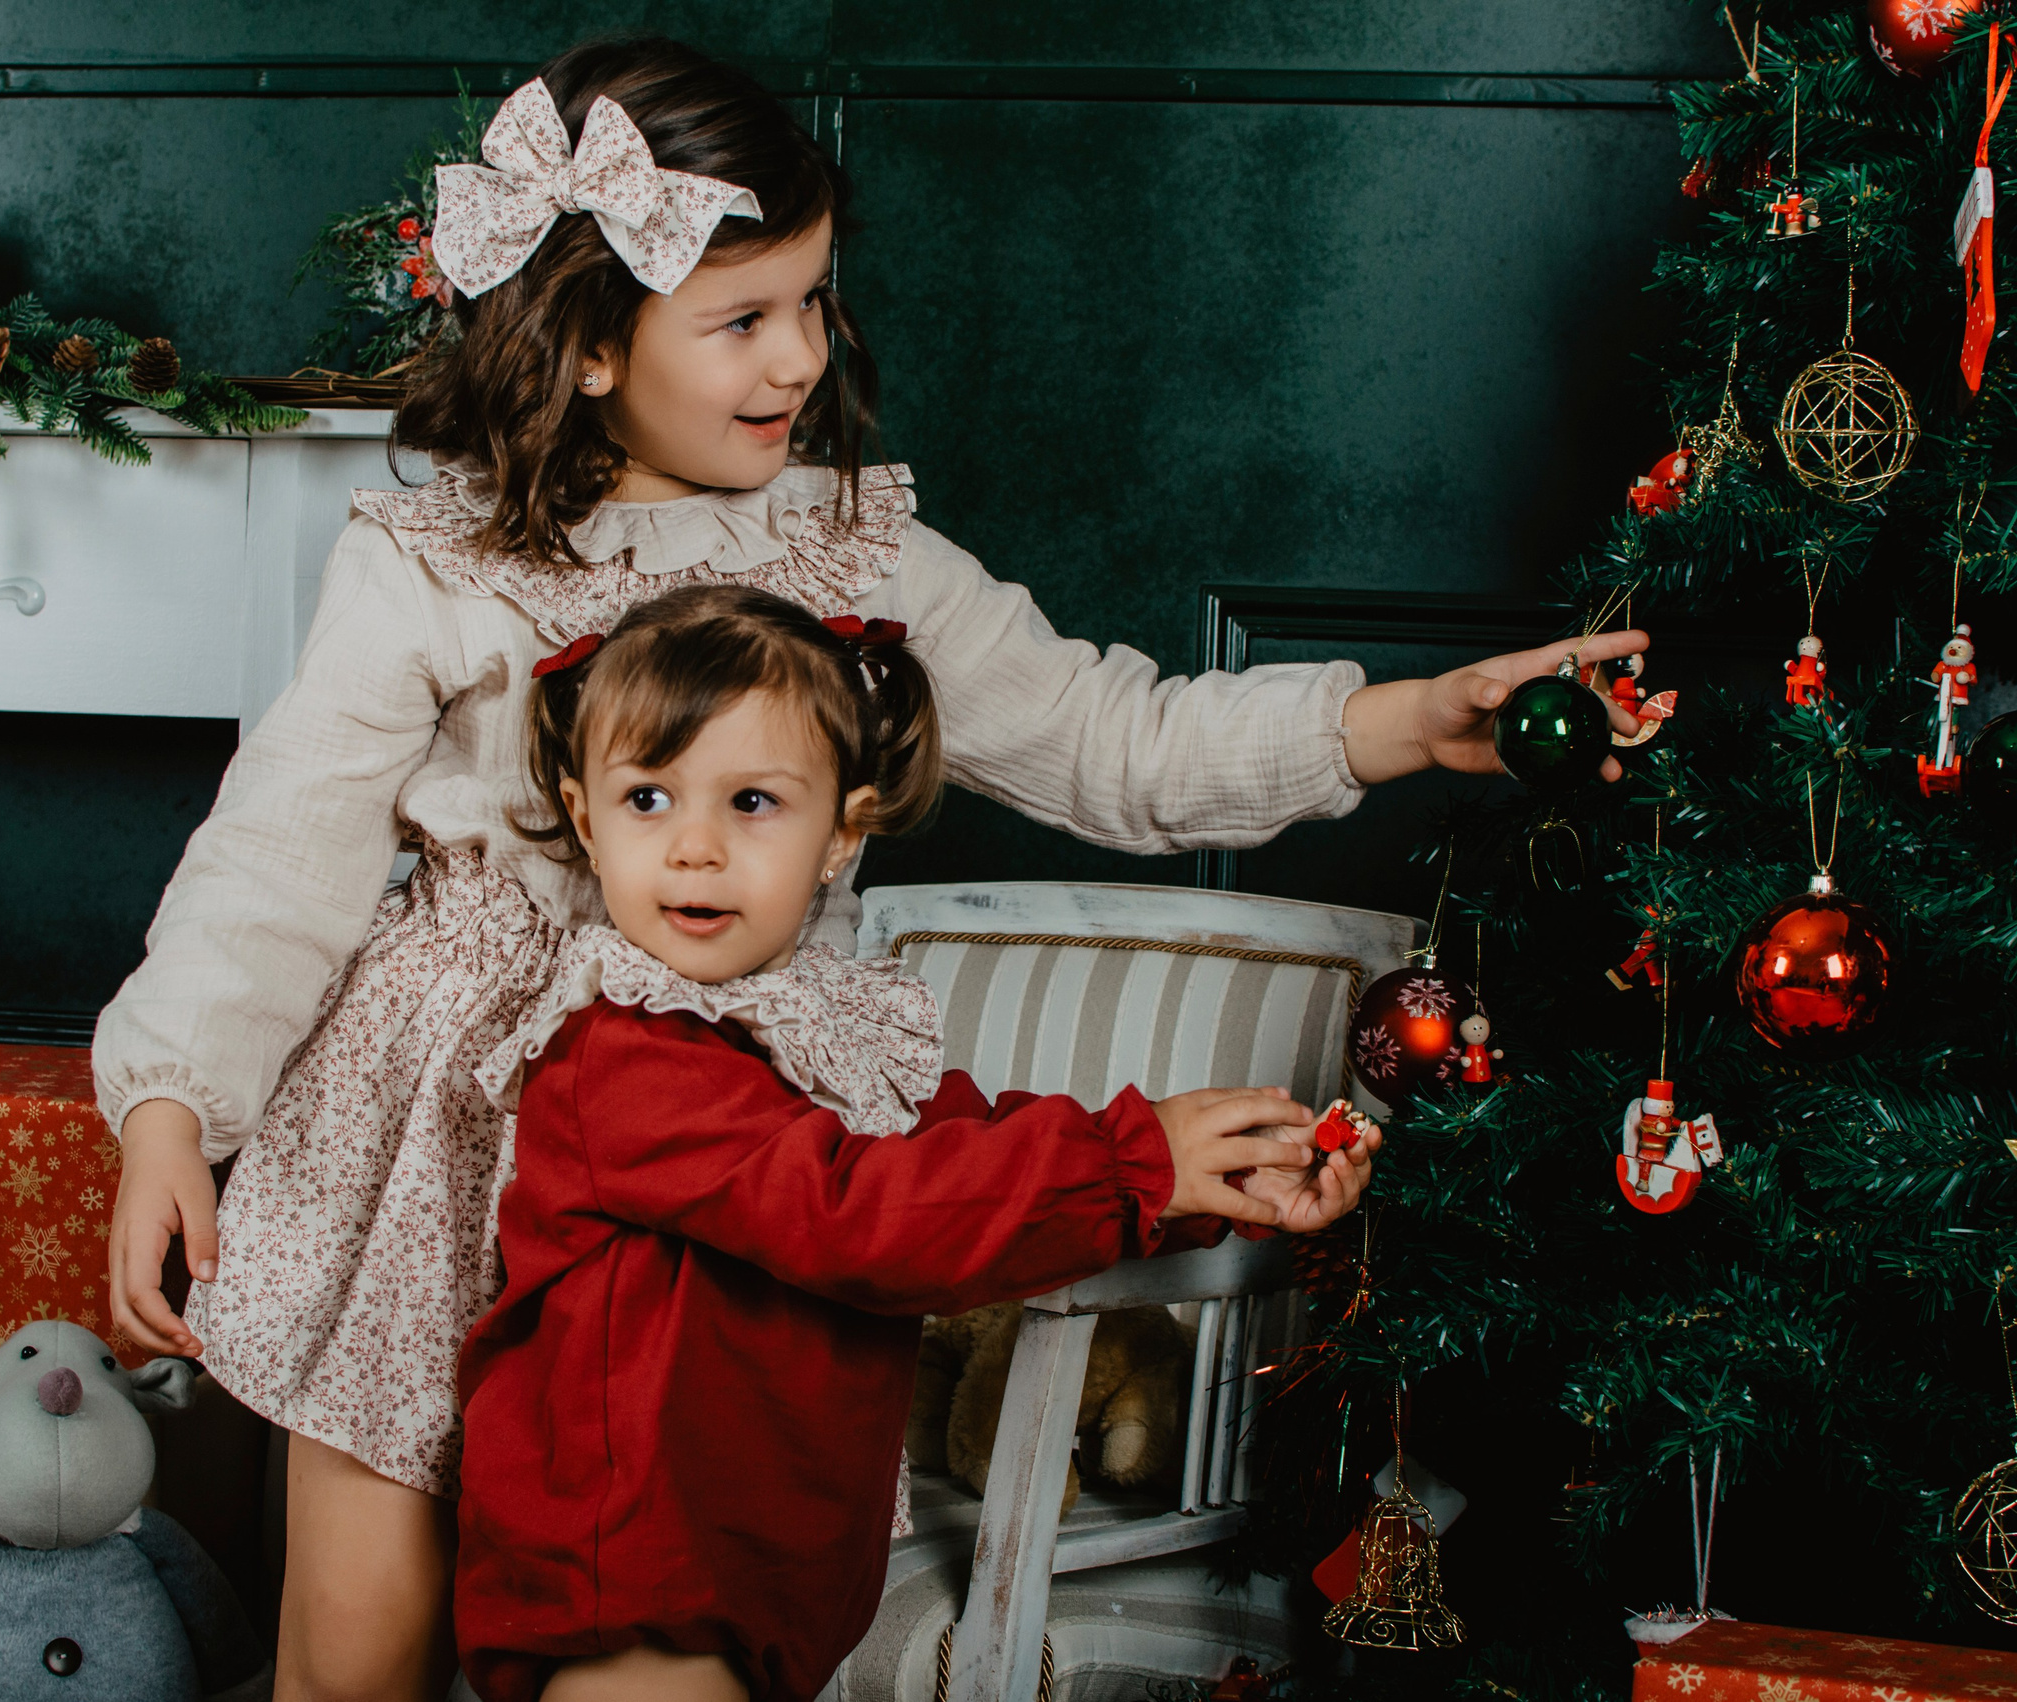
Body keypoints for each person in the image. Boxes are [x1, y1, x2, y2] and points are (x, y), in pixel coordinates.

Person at [98, 37, 1647, 1702]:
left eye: (815, 304)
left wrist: (1400, 721)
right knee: (359, 1643)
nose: (797, 360)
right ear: (596, 347)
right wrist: (176, 1102)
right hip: (435, 1122)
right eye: (742, 319)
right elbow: (281, 852)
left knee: (662, 1593)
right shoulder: (442, 558)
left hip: (724, 1113)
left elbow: (1108, 740)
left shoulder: (856, 547)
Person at [453, 584, 1379, 1702]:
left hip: (756, 1566)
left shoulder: (814, 1023)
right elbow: (858, 1211)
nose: (693, 847)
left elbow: (967, 1151)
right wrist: (1136, 1161)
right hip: (636, 1579)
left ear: (841, 831)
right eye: (647, 797)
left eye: (751, 801)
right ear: (586, 818)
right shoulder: (624, 1056)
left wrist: (1206, 1180)